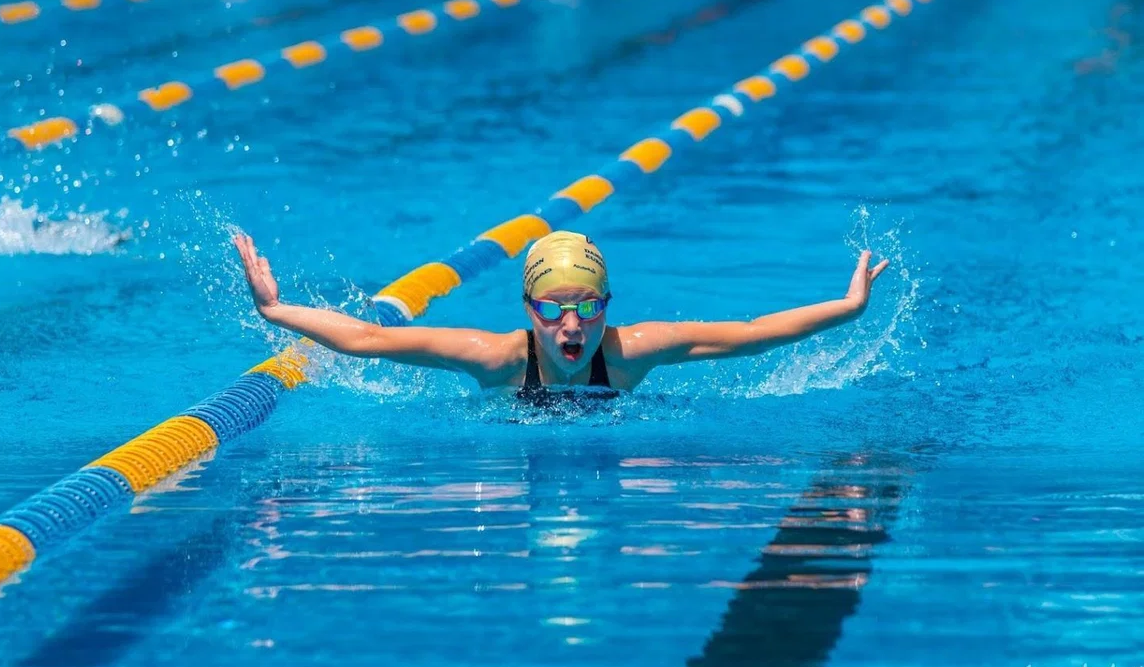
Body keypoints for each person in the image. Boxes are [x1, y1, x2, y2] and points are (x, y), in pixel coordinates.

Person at [231, 230, 888, 399]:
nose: (571, 327)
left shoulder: (630, 351)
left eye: (587, 309)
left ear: (606, 308)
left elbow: (750, 336)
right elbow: (370, 338)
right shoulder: (498, 357)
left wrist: (850, 306)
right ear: (527, 310)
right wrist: (277, 308)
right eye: (552, 310)